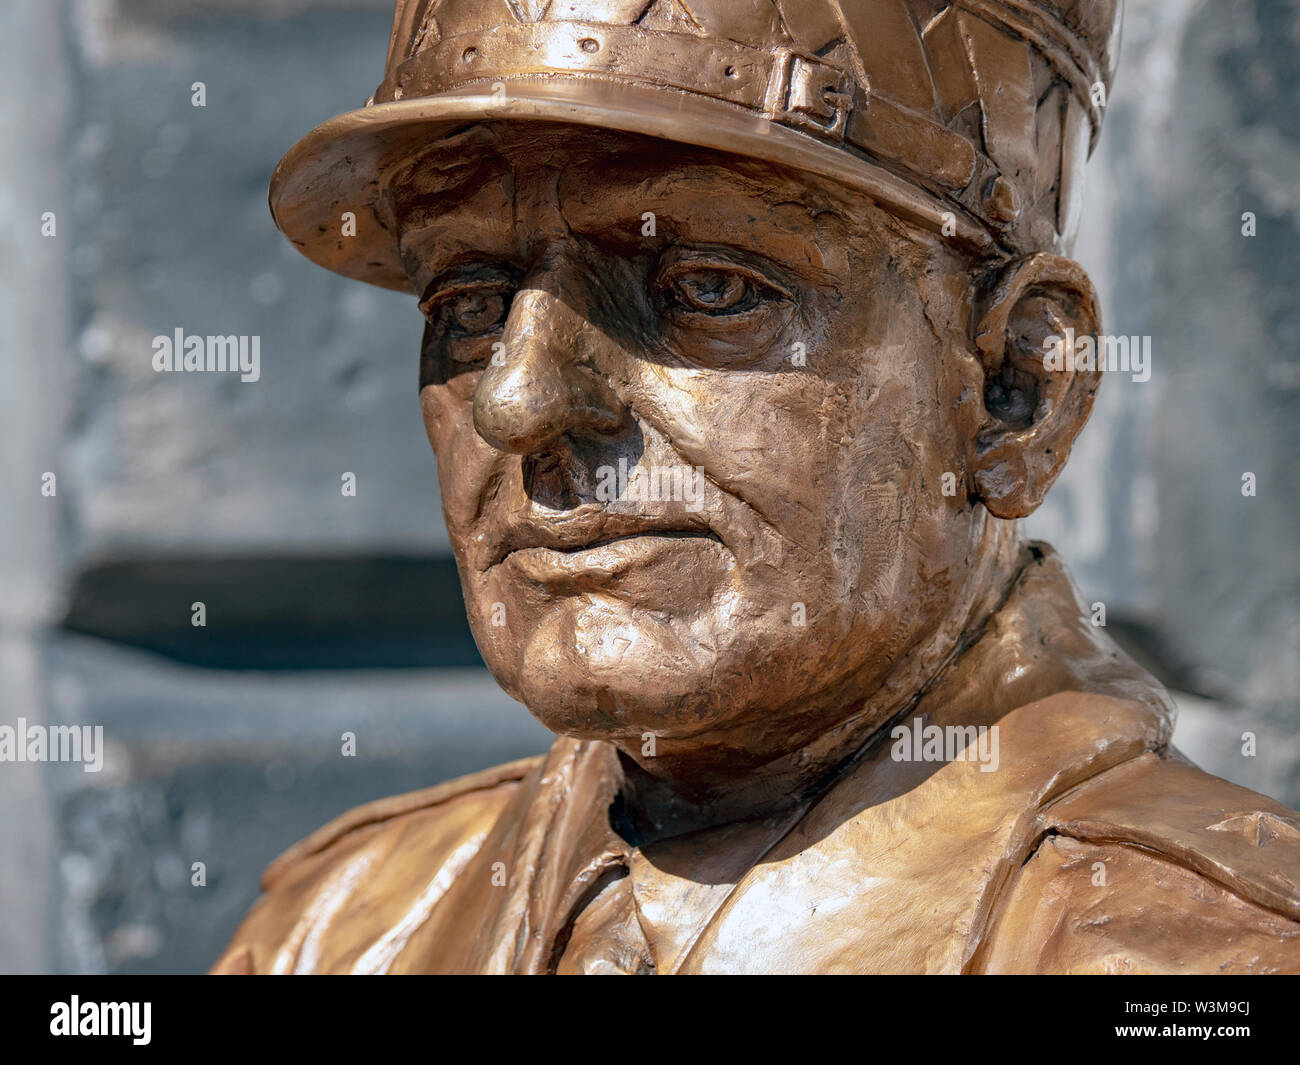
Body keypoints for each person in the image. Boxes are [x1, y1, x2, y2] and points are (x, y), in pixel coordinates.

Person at [214, 0, 1300, 974]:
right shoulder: (336, 930)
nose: (519, 401)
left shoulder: (1211, 960)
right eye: (471, 307)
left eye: (708, 286)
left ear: (1015, 389)